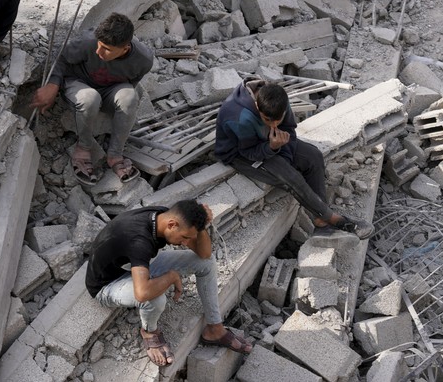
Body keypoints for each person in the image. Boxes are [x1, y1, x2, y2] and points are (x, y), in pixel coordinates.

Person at [86, 199, 253, 366]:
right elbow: (142, 293)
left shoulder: (163, 215)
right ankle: (149, 332)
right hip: (107, 285)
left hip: (130, 264)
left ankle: (214, 328)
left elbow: (204, 253)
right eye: (185, 237)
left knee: (206, 264)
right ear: (172, 225)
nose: (187, 243)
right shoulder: (139, 241)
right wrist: (171, 277)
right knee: (154, 298)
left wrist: (202, 226)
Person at [215, 79, 374, 239]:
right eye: (267, 120)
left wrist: (283, 156)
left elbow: (288, 130)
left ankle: (320, 221)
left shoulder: (279, 101)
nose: (274, 124)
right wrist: (272, 148)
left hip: (268, 142)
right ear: (257, 106)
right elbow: (249, 151)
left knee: (313, 156)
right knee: (290, 178)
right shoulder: (239, 116)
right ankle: (334, 219)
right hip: (240, 153)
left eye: (278, 119)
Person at [30, 13, 153, 185]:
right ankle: (83, 149)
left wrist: (121, 107)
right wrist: (53, 85)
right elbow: (62, 58)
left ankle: (115, 155)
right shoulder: (89, 42)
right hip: (78, 83)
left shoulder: (144, 60)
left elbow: (131, 83)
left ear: (125, 49)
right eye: (99, 45)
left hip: (109, 88)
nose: (98, 52)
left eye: (107, 49)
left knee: (130, 96)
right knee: (90, 98)